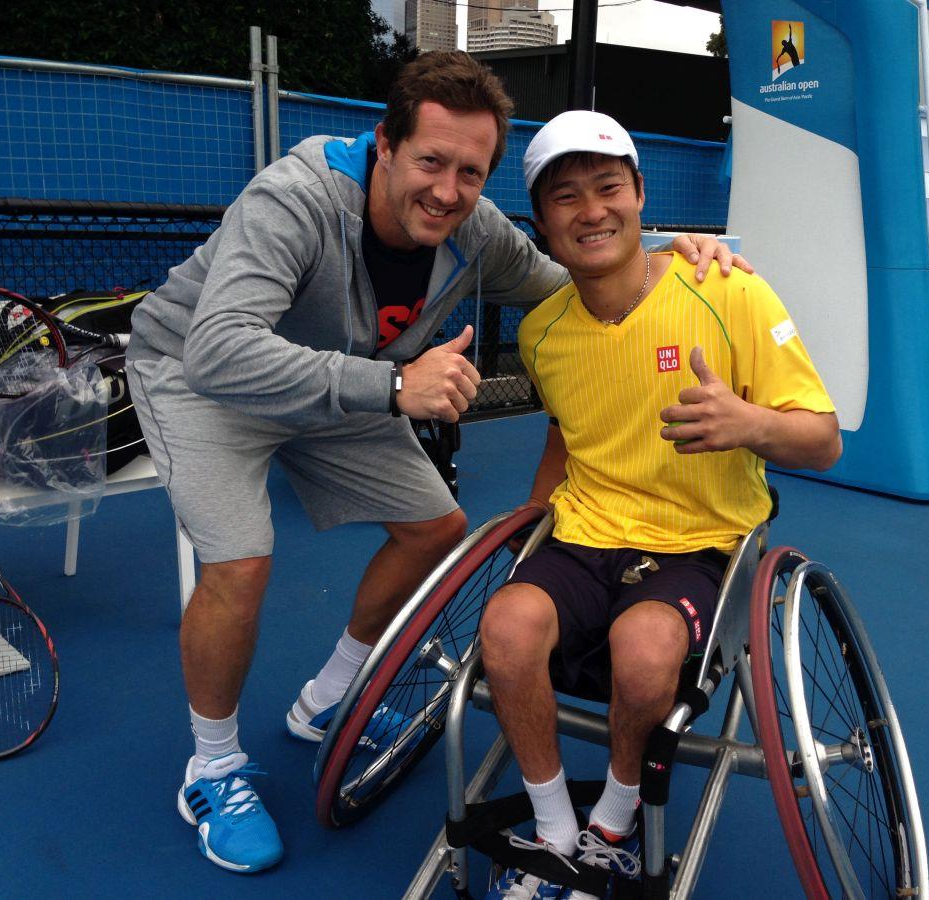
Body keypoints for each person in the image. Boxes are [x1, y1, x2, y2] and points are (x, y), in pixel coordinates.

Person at [126, 51, 749, 874]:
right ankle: (212, 766)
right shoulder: (294, 199)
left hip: (342, 378)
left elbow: (581, 270)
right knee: (239, 562)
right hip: (204, 378)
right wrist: (390, 384)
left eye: (471, 172)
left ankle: (330, 695)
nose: (448, 191)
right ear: (383, 144)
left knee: (437, 529)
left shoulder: (474, 230)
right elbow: (218, 351)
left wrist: (675, 251)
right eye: (430, 161)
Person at [479, 110, 841, 898]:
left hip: (702, 544)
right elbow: (567, 435)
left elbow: (822, 441)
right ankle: (552, 830)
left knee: (644, 656)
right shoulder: (542, 331)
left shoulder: (727, 291)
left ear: (641, 195)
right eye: (565, 198)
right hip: (586, 534)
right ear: (542, 223)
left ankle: (611, 822)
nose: (591, 211)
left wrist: (748, 424)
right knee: (505, 629)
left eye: (609, 187)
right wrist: (527, 531)